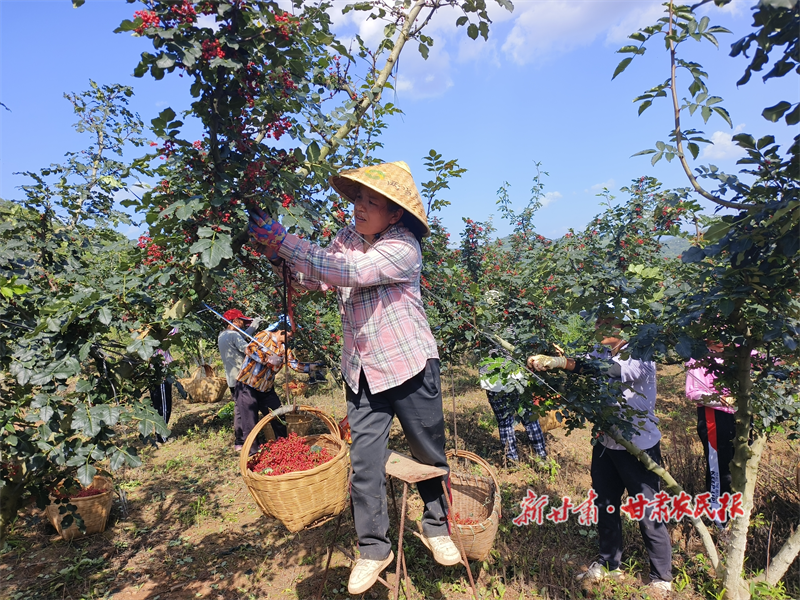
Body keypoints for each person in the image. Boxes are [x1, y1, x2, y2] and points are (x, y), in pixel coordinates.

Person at [247, 161, 461, 595]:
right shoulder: (346, 239)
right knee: (364, 463)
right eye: (358, 199)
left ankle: (437, 525)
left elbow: (351, 273)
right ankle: (373, 548)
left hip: (409, 366)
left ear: (395, 212)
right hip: (361, 370)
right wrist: (279, 256)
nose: (359, 207)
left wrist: (286, 242)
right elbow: (317, 277)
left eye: (370, 201)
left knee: (428, 452)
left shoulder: (404, 247)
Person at [527, 317, 672, 594]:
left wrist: (564, 363)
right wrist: (552, 362)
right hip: (607, 441)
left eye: (609, 324)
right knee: (605, 504)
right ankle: (609, 564)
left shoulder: (641, 352)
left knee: (648, 511)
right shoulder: (601, 350)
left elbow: (609, 370)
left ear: (624, 327)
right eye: (599, 323)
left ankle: (661, 578)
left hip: (638, 445)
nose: (601, 329)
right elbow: (584, 363)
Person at [235, 321, 322, 451]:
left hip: (266, 390)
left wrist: (311, 367)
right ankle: (252, 454)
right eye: (290, 335)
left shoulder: (284, 350)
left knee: (279, 418)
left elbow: (295, 364)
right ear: (282, 331)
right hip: (248, 386)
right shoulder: (264, 336)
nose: (291, 338)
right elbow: (249, 349)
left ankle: (283, 447)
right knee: (250, 423)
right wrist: (267, 358)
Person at [686, 340, 736, 517]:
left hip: (741, 416)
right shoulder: (698, 355)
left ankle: (737, 510)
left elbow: (766, 362)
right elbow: (692, 392)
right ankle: (719, 515)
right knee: (719, 467)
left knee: (740, 462)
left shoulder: (740, 351)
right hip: (714, 416)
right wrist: (724, 400)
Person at [479, 355, 548, 463]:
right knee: (529, 419)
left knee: (505, 422)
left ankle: (512, 460)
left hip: (494, 383)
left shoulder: (484, 337)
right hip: (516, 378)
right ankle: (542, 456)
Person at [217, 308, 261, 451]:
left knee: (238, 408)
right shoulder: (234, 336)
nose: (243, 323)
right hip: (241, 378)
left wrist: (253, 327)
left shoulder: (222, 335)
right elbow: (246, 347)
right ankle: (249, 440)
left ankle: (239, 441)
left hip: (231, 379)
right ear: (234, 321)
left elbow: (240, 337)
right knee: (247, 409)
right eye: (241, 320)